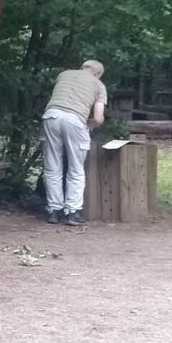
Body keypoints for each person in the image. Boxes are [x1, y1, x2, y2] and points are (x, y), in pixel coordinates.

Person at [41, 59, 107, 226]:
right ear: (98, 74)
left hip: (51, 116)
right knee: (76, 168)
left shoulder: (64, 75)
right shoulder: (98, 85)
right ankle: (73, 212)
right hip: (75, 120)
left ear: (83, 67)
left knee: (52, 166)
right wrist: (88, 126)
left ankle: (54, 211)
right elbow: (98, 118)